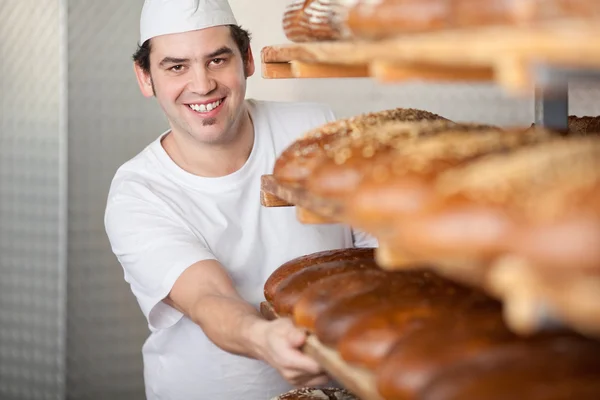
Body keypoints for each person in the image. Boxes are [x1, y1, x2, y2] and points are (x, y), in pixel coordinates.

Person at [104, 0, 377, 399]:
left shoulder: (315, 128)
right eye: (176, 66)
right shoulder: (139, 191)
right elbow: (207, 296)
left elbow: (378, 244)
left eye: (217, 60)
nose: (202, 85)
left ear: (247, 59)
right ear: (145, 78)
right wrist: (263, 336)